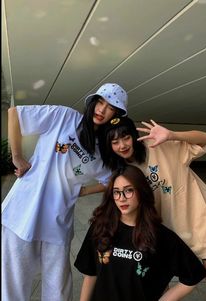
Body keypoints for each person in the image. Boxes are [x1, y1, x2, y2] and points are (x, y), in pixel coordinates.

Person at [1, 83, 128, 301]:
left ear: (115, 115)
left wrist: (84, 191)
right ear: (93, 102)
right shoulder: (64, 116)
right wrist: (17, 156)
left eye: (110, 107)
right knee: (13, 281)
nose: (102, 110)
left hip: (57, 219)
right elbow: (15, 115)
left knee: (57, 286)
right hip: (22, 212)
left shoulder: (103, 151)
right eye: (100, 102)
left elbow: (112, 180)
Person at [98, 116, 206, 301]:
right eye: (115, 142)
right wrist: (82, 191)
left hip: (204, 226)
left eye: (126, 137)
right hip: (166, 236)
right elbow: (110, 187)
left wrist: (171, 135)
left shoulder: (161, 146)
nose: (122, 145)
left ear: (134, 135)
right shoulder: (123, 170)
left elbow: (204, 138)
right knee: (158, 288)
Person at [74, 165, 206, 301]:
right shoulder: (100, 227)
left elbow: (194, 274)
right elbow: (90, 274)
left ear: (142, 192)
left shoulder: (160, 235)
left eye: (129, 190)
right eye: (116, 192)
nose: (122, 198)